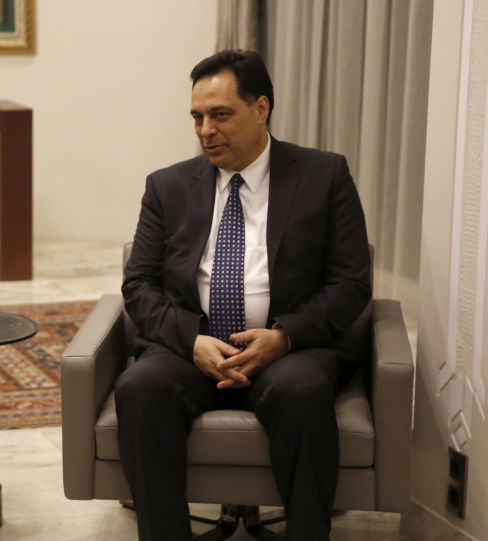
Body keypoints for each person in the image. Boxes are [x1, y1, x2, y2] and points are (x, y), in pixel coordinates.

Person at [115, 49, 371, 541]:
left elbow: (351, 282)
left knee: (302, 391)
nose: (206, 130)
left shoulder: (323, 176)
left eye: (220, 115)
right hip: (193, 350)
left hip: (287, 351)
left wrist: (284, 337)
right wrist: (191, 341)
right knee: (139, 387)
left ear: (261, 109)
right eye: (197, 117)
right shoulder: (167, 186)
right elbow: (139, 284)